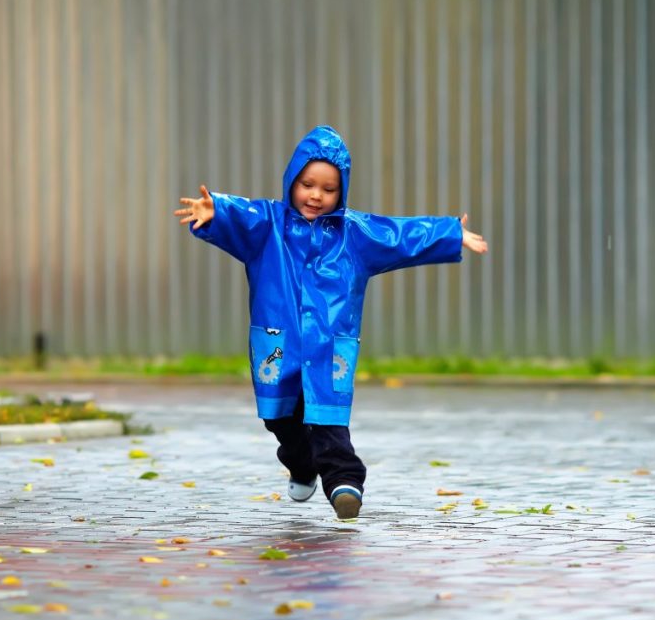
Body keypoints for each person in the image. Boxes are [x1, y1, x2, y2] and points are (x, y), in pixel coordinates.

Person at [174, 125, 488, 519]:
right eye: (307, 184)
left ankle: (345, 482)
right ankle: (302, 465)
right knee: (279, 418)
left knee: (327, 419)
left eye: (328, 189)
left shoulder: (354, 234)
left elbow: (399, 235)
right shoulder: (267, 227)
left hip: (328, 349)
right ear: (292, 181)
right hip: (278, 344)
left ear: (341, 193)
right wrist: (215, 211)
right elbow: (241, 214)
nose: (316, 196)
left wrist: (448, 233)